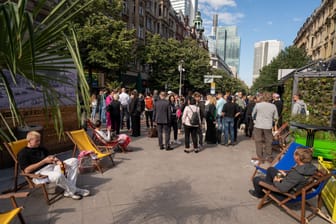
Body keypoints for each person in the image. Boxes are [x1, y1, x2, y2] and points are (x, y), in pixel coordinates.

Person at [17, 131, 90, 200]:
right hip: (40, 174)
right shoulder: (23, 153)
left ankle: (69, 190)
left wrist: (59, 162)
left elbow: (51, 157)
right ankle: (74, 190)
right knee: (58, 175)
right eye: (37, 141)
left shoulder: (41, 148)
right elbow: (27, 170)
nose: (39, 142)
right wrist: (43, 161)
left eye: (39, 140)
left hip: (52, 167)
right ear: (29, 141)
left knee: (74, 161)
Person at [249, 147, 317, 198]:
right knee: (271, 169)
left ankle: (260, 194)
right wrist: (285, 175)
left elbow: (283, 188)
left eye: (294, 154)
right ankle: (267, 188)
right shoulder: (309, 167)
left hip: (284, 193)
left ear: (297, 158)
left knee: (256, 179)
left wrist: (276, 181)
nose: (293, 156)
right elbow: (295, 178)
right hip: (290, 183)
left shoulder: (297, 173)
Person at [252, 92, 279, 163]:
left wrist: (255, 120)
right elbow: (276, 117)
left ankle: (260, 157)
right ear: (270, 98)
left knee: (258, 141)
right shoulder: (273, 106)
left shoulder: (258, 105)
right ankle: (268, 156)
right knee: (269, 141)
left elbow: (253, 114)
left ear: (263, 97)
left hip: (258, 125)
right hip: (268, 126)